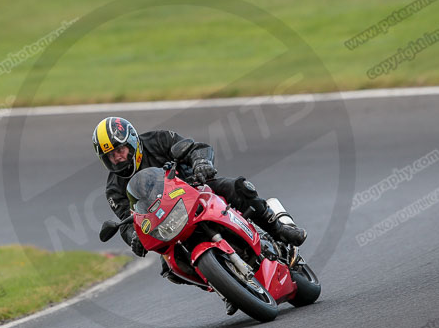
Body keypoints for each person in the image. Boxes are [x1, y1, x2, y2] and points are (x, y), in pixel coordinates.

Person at [92, 117, 307, 314]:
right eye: (111, 155)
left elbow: (196, 148)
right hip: (166, 221)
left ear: (132, 142)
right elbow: (125, 220)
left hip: (196, 190)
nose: (118, 158)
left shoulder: (158, 140)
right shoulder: (114, 189)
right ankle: (224, 286)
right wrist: (133, 237)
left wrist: (201, 163)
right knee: (170, 268)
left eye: (120, 150)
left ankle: (279, 230)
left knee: (237, 187)